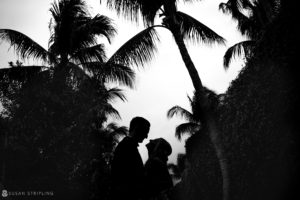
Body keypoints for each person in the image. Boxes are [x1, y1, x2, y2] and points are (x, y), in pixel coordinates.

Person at [110, 116, 150, 200]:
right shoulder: (127, 147)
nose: (146, 136)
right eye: (145, 131)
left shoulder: (128, 146)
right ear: (136, 128)